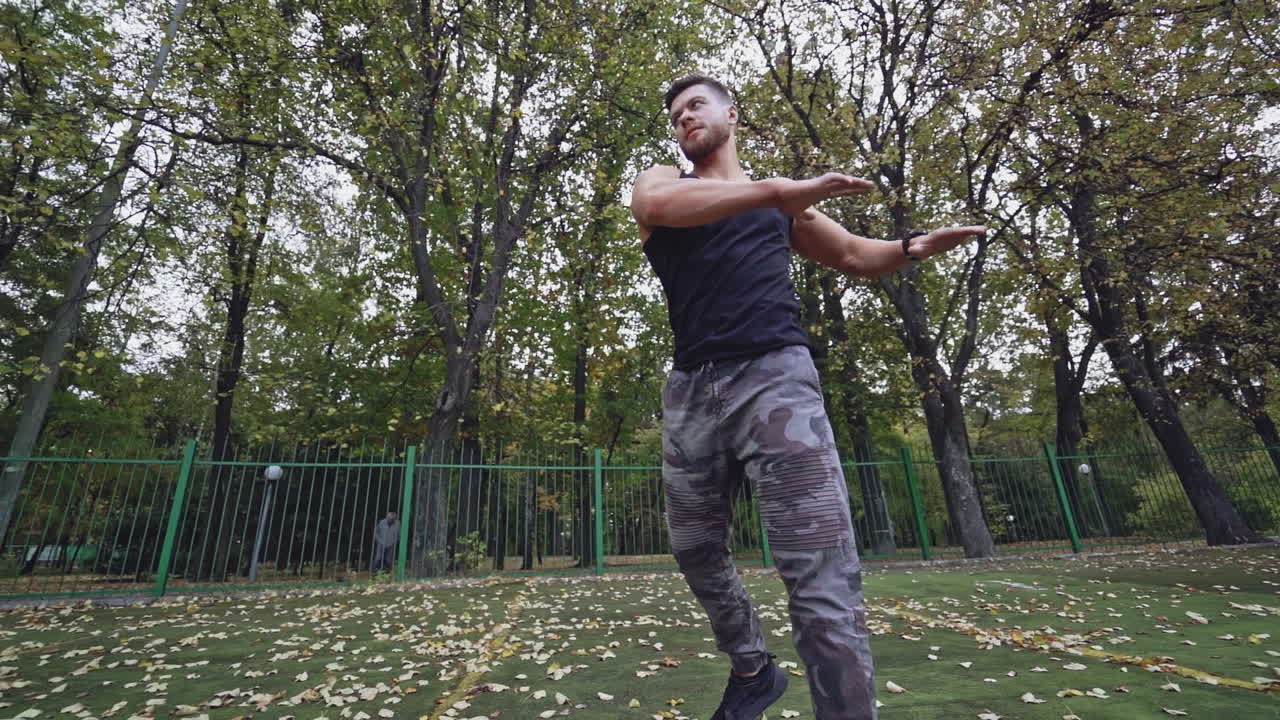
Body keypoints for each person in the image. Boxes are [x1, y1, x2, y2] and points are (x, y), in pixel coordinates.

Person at [629, 74, 985, 720]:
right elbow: (658, 211)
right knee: (694, 549)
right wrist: (787, 192)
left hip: (777, 383)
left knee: (819, 579)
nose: (685, 118)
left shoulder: (781, 207)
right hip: (691, 392)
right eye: (677, 113)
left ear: (731, 114)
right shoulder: (664, 183)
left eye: (697, 105)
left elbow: (852, 254)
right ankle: (753, 668)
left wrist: (911, 248)